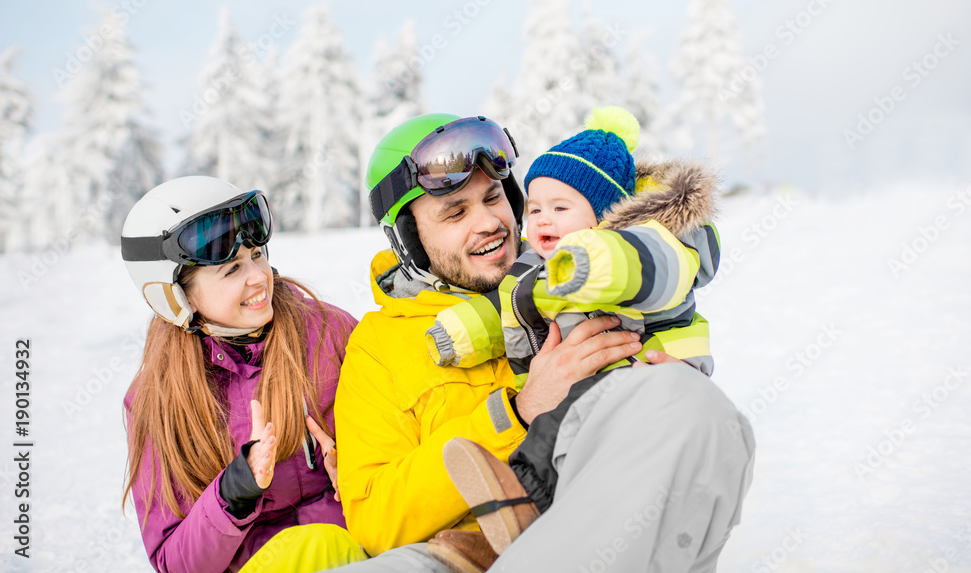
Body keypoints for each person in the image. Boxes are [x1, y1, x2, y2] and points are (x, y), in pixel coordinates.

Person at [330, 114, 754, 572]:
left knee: (697, 408)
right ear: (409, 240)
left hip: (590, 526)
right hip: (451, 554)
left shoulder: (576, 274)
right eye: (455, 212)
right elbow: (376, 520)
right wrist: (517, 410)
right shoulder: (379, 345)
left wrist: (652, 392)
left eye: (495, 197)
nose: (490, 222)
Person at [421, 106, 721, 560]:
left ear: (605, 216)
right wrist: (460, 332)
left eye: (561, 208)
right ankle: (530, 534)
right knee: (567, 433)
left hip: (639, 375)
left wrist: (594, 262)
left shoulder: (647, 244)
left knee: (572, 423)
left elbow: (646, 269)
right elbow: (506, 305)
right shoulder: (535, 269)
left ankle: (524, 494)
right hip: (584, 386)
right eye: (536, 207)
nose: (542, 220)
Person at [120, 176, 367, 573]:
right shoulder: (158, 401)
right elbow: (175, 563)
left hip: (358, 552)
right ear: (176, 294)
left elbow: (398, 444)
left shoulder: (329, 334)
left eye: (257, 255)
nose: (257, 276)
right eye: (231, 269)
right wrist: (234, 492)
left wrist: (359, 475)